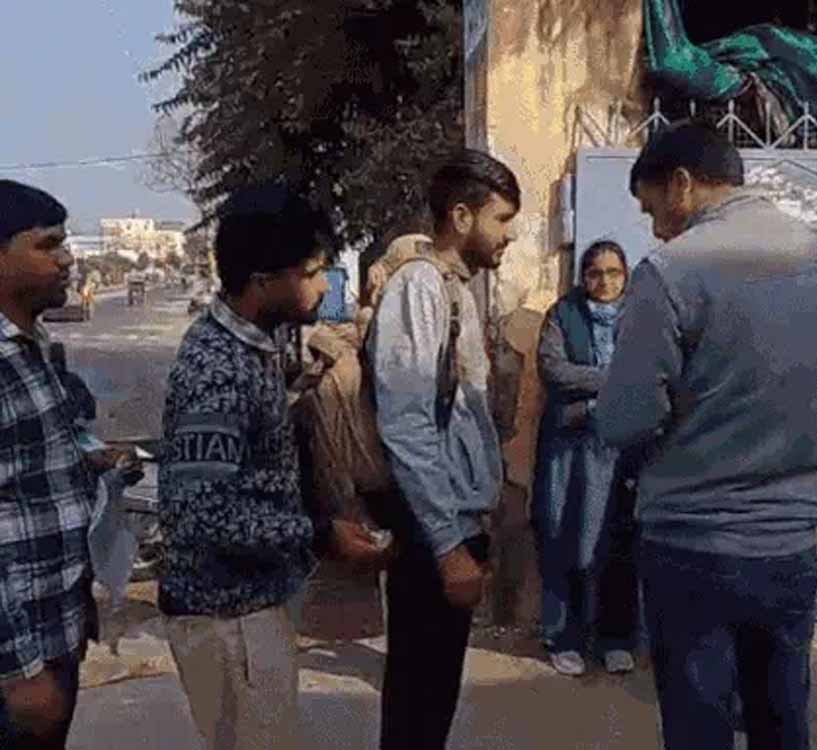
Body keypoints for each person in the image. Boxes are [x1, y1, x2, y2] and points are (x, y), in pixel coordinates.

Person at [595, 123, 817, 750]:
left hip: (692, 545)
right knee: (781, 722)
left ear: (681, 184)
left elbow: (624, 420)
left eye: (652, 210)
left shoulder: (670, 272)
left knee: (699, 728)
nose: (656, 229)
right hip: (792, 543)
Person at [156, 184, 392, 750]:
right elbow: (202, 515)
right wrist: (320, 534)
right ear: (263, 281)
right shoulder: (218, 369)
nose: (323, 285)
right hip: (226, 615)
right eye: (311, 272)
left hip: (253, 603)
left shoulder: (253, 345)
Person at [367, 149, 520, 750]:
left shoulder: (454, 289)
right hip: (435, 532)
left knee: (432, 704)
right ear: (461, 216)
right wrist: (448, 545)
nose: (508, 235)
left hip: (453, 525)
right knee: (417, 706)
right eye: (501, 219)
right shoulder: (420, 288)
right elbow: (407, 426)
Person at [0, 180, 108, 749]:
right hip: (17, 661)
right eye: (48, 245)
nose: (67, 259)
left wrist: (94, 460)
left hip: (56, 632)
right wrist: (17, 669)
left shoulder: (33, 346)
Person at [531, 240, 639, 677]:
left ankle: (616, 639)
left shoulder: (639, 315)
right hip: (571, 447)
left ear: (625, 276)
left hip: (623, 447)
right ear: (583, 277)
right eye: (595, 273)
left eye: (614, 273)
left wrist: (600, 383)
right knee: (564, 533)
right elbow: (554, 370)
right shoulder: (562, 315)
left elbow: (651, 369)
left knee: (619, 537)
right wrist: (614, 380)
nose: (605, 282)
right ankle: (564, 637)